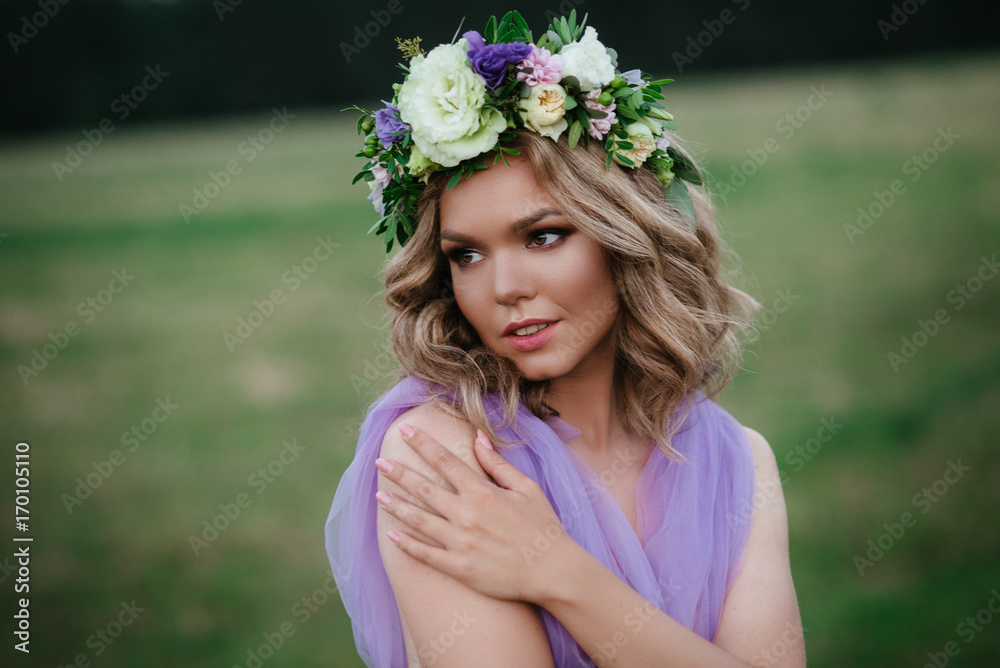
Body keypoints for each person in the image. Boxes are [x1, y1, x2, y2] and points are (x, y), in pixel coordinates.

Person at [326, 11, 805, 667]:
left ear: (626, 233)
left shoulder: (740, 464)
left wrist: (559, 573)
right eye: (466, 255)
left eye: (543, 235)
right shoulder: (439, 456)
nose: (503, 288)